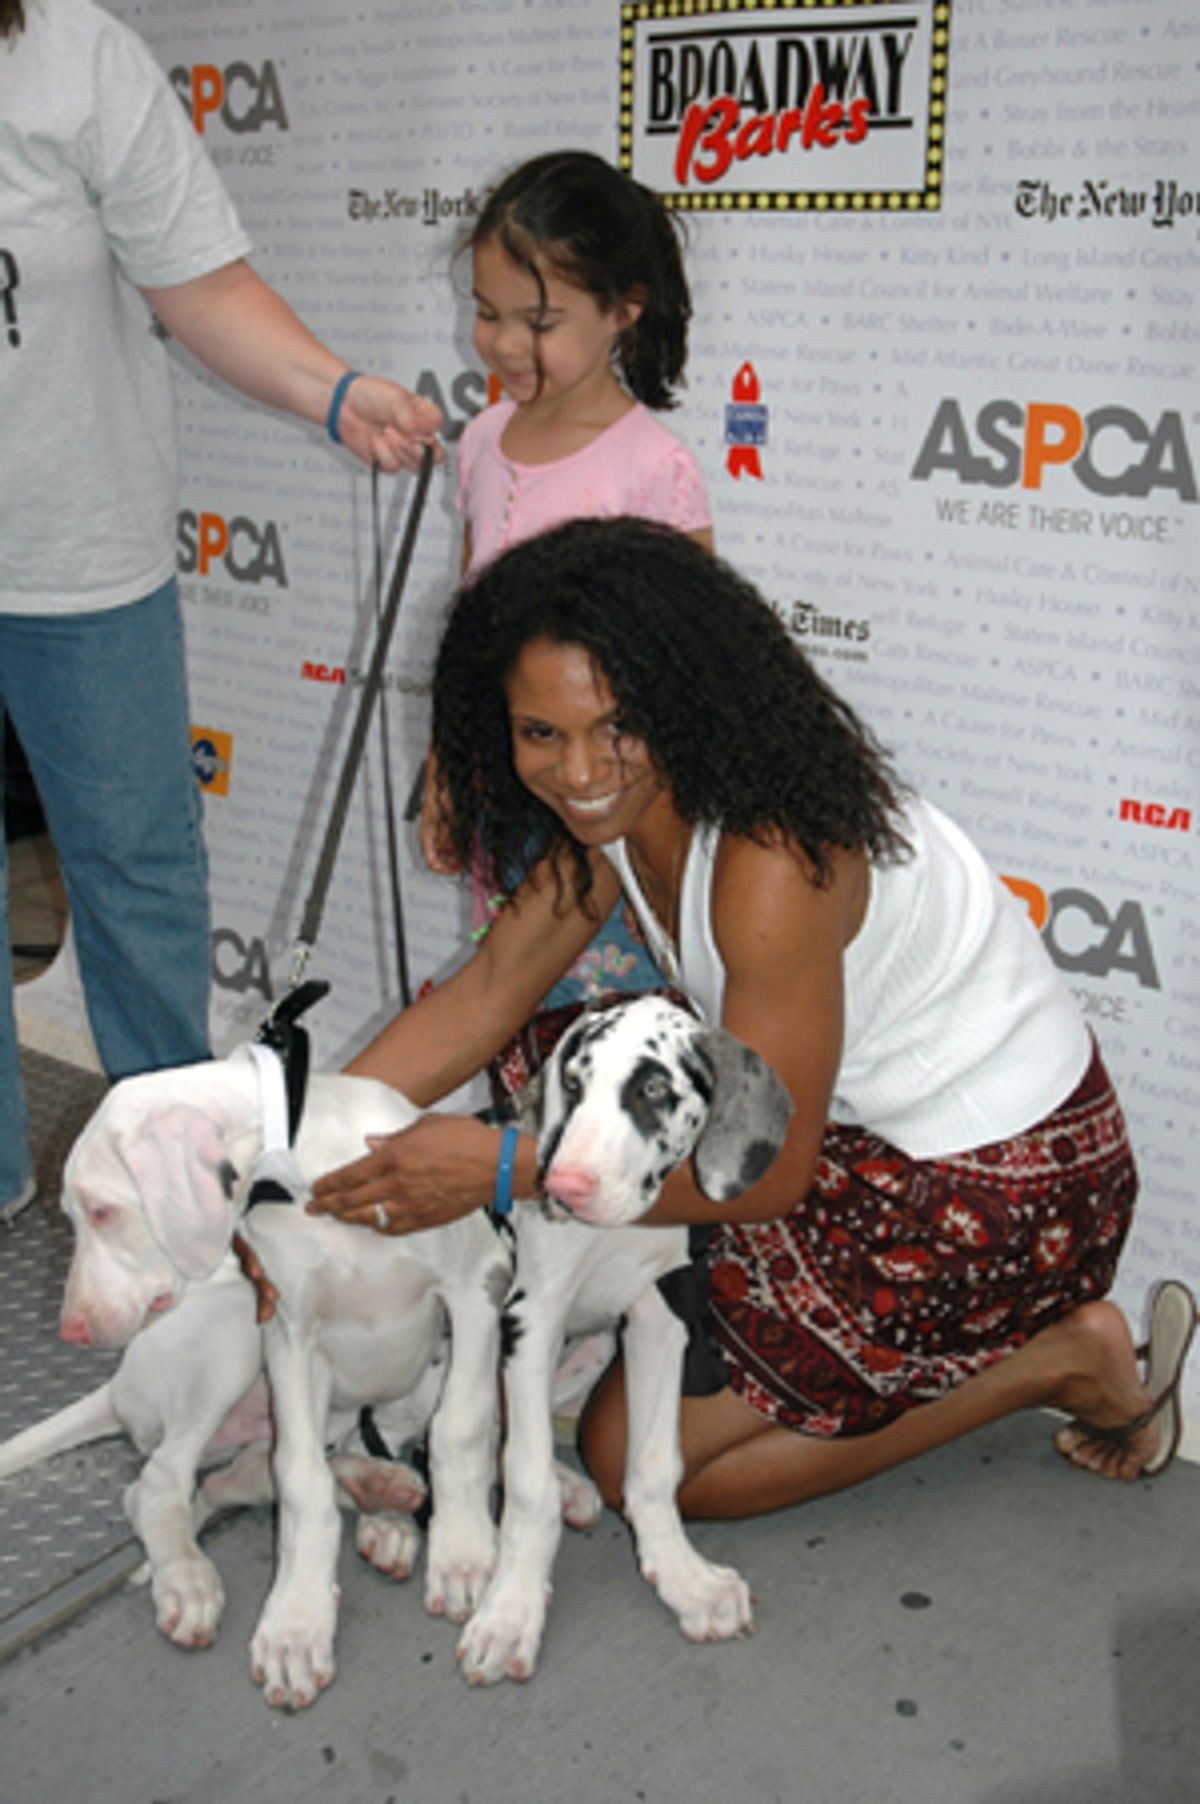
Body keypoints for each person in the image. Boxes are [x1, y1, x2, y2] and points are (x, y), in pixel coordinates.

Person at [304, 516, 1195, 1517]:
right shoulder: (620, 813)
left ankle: (1062, 1360)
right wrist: (291, 1146)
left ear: (684, 703)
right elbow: (487, 992)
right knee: (545, 1046)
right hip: (841, 1136)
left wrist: (501, 1165)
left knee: (639, 1463)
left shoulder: (771, 856)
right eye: (540, 733)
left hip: (994, 1190)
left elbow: (768, 1170)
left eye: (617, 727)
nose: (582, 772)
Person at [0, 0, 441, 1224]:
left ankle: (173, 1185)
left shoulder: (71, 56)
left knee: (136, 868)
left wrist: (332, 391)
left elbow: (200, 285)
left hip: (76, 548)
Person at [419, 148, 712, 1010]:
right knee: (508, 1006)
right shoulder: (481, 441)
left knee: (605, 1033)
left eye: (539, 321)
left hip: (605, 816)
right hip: (501, 788)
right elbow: (473, 627)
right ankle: (517, 1146)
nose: (505, 343)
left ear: (624, 309)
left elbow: (687, 673)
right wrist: (447, 767)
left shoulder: (654, 468)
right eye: (487, 313)